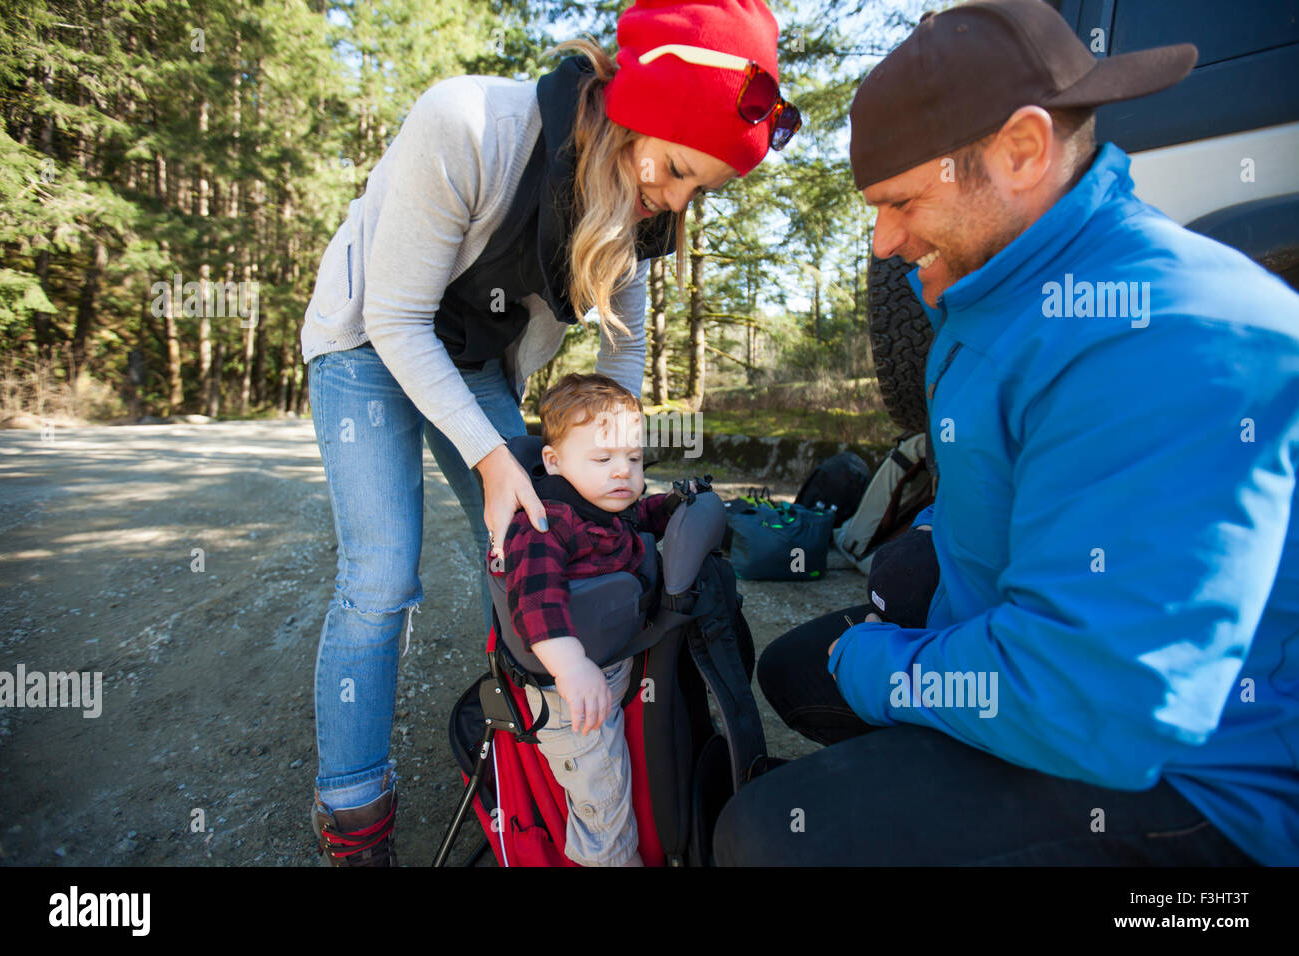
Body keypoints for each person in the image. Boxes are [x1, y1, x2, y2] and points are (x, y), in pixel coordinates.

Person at [715, 0, 1299, 866]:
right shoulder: (1001, 281)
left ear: (1021, 151)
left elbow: (1091, 695)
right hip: (1026, 645)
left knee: (764, 838)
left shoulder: (1172, 334)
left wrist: (889, 671)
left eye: (902, 201)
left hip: (1185, 775)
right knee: (797, 669)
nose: (882, 242)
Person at [301, 0, 799, 865]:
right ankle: (354, 812)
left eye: (697, 189)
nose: (673, 203)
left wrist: (615, 457)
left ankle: (540, 742)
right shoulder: (467, 124)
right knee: (381, 576)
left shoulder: (647, 205)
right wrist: (496, 459)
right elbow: (395, 316)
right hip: (368, 338)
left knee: (541, 530)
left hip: (473, 359)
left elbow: (626, 346)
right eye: (676, 170)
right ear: (638, 113)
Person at [500, 374, 685, 866]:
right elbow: (534, 602)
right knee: (604, 805)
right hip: (571, 697)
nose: (622, 473)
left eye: (634, 459)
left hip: (610, 669)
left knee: (628, 779)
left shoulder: (605, 500)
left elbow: (640, 515)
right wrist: (571, 667)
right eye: (603, 460)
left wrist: (675, 507)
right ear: (554, 463)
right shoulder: (545, 520)